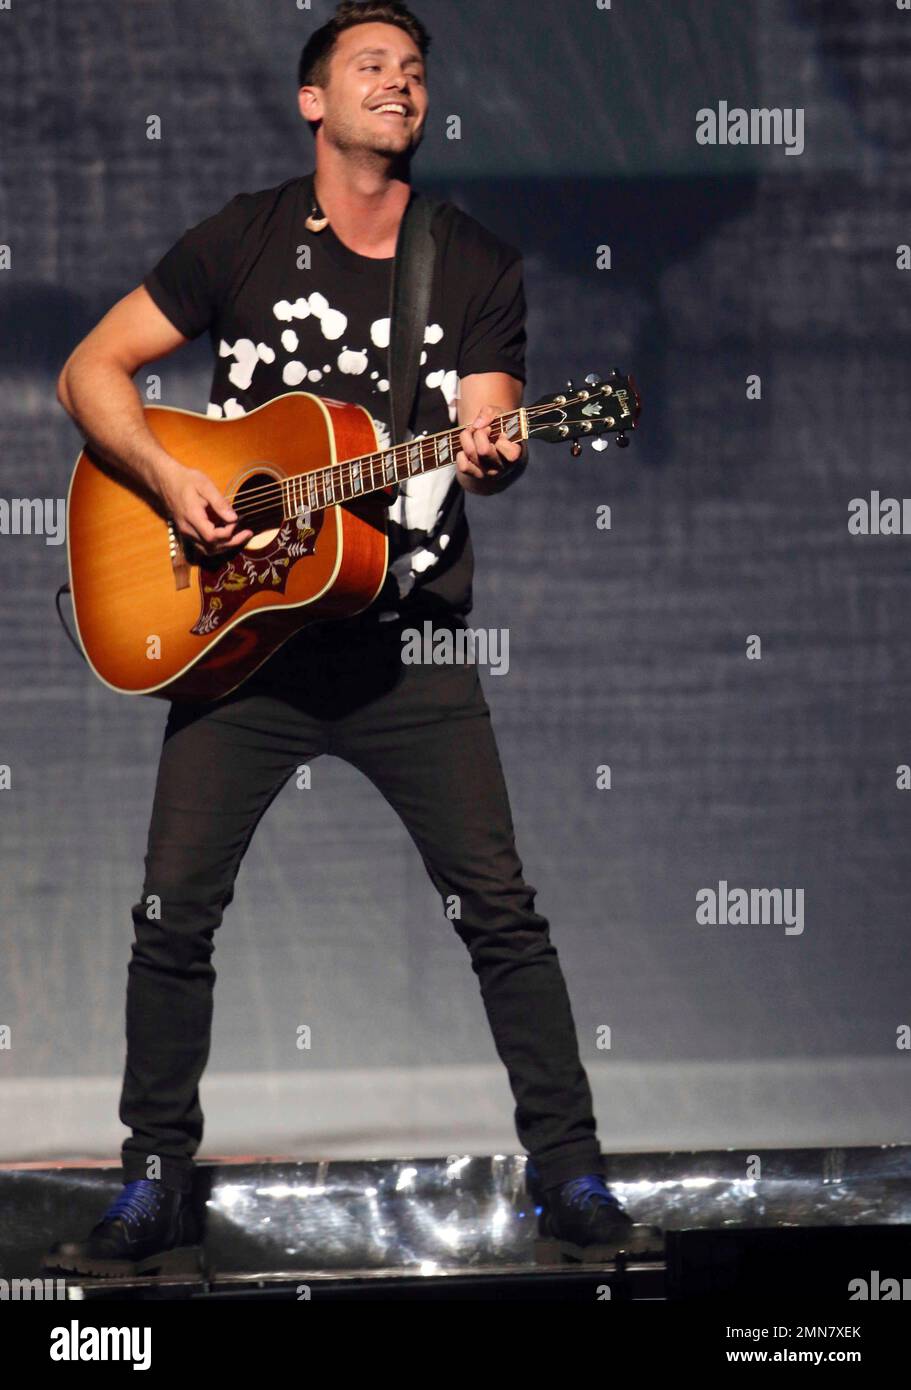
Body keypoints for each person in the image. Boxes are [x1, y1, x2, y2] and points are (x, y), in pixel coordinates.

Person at [46, 0, 661, 1276]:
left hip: (406, 648)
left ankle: (571, 1176)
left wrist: (493, 451)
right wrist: (170, 483)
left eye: (414, 68)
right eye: (369, 64)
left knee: (500, 910)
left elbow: (485, 428)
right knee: (172, 916)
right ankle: (152, 1181)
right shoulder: (247, 234)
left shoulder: (472, 259)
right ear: (313, 101)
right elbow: (91, 374)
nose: (400, 80)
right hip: (243, 640)